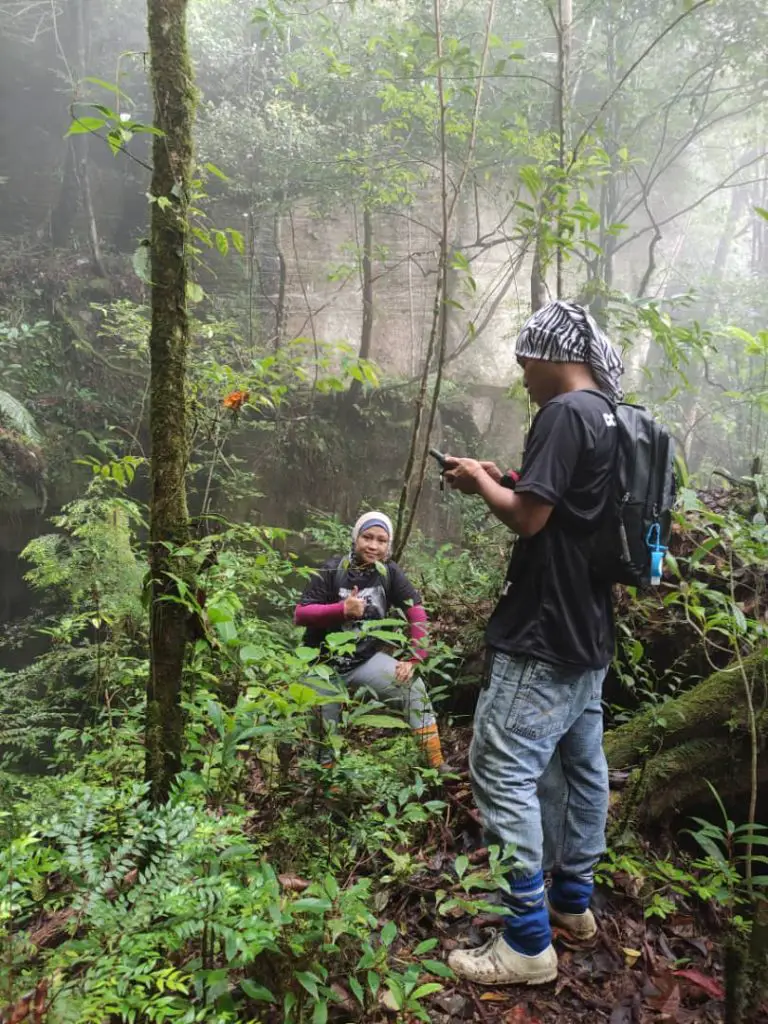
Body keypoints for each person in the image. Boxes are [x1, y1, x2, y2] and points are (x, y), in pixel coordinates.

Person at [442, 300, 623, 986]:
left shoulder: (565, 412)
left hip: (543, 629)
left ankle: (525, 943)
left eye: (524, 358)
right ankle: (572, 906)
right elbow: (570, 510)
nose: (519, 371)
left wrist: (484, 485)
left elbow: (529, 519)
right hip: (588, 630)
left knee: (502, 768)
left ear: (552, 355)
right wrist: (496, 474)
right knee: (580, 764)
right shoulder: (609, 414)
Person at [294, 510, 447, 772]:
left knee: (413, 688)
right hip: (322, 664)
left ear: (388, 545)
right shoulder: (331, 569)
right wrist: (341, 610)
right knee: (324, 728)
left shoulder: (389, 573)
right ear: (356, 538)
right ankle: (326, 788)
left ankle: (435, 766)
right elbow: (301, 614)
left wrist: (414, 657)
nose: (373, 546)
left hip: (363, 660)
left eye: (381, 540)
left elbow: (416, 611)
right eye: (367, 537)